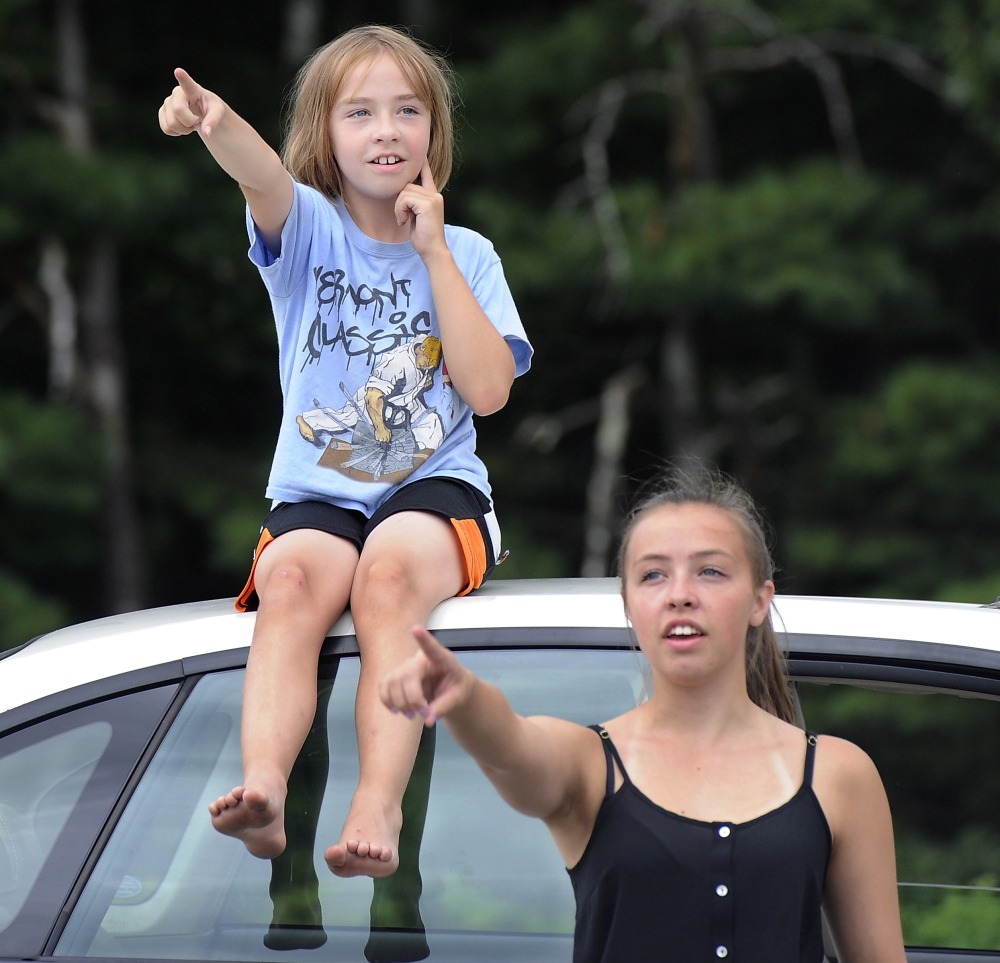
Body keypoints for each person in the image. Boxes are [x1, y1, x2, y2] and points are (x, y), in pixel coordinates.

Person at [158, 24, 532, 879]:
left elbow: (486, 391)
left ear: (433, 132)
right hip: (319, 493)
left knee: (386, 580)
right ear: (325, 136)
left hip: (433, 486)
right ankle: (264, 790)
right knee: (290, 583)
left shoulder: (469, 253)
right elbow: (258, 173)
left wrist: (432, 247)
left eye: (407, 111)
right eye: (359, 113)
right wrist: (213, 120)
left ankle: (377, 802)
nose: (386, 131)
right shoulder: (310, 229)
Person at [380, 469, 908, 962]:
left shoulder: (840, 775)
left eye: (711, 571)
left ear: (758, 600)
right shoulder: (590, 763)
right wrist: (465, 695)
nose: (680, 595)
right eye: (653, 575)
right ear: (630, 606)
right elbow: (514, 748)